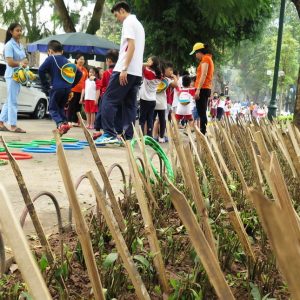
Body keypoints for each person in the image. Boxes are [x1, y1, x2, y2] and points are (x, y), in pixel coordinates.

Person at [96, 1, 145, 144]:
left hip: (125, 70)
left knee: (108, 100)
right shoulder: (139, 25)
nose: (117, 19)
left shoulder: (128, 22)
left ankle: (110, 134)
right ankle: (127, 137)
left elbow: (131, 46)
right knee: (129, 105)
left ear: (122, 10)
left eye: (117, 15)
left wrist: (124, 68)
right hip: (136, 73)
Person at [38, 40, 82, 135]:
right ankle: (64, 124)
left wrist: (46, 86)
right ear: (62, 51)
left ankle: (60, 124)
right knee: (60, 108)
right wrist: (71, 85)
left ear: (50, 51)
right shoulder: (67, 61)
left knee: (52, 108)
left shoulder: (51, 58)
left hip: (56, 88)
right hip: (66, 89)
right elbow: (79, 73)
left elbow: (41, 70)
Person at [0, 23, 28, 133]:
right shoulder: (9, 45)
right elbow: (10, 62)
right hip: (11, 76)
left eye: (21, 30)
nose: (19, 33)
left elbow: (25, 59)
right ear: (11, 32)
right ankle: (13, 126)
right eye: (17, 30)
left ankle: (1, 122)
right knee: (13, 101)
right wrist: (21, 63)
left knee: (9, 100)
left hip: (19, 76)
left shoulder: (20, 45)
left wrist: (24, 62)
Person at [94, 49, 119, 139]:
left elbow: (102, 84)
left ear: (109, 60)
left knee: (101, 113)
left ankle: (99, 131)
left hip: (106, 95)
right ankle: (116, 131)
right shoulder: (120, 72)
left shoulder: (106, 72)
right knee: (114, 114)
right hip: (118, 96)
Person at [190, 42, 214, 135]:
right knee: (202, 111)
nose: (195, 56)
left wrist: (198, 90)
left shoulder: (205, 59)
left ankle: (203, 132)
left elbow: (203, 74)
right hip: (205, 88)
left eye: (196, 53)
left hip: (203, 88)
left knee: (202, 112)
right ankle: (202, 131)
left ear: (200, 52)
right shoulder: (208, 59)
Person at [153, 62, 178, 143]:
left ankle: (155, 136)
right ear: (165, 70)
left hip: (157, 102)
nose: (171, 72)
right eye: (170, 70)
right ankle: (158, 136)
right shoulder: (166, 79)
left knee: (157, 120)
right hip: (162, 103)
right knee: (160, 120)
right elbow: (176, 85)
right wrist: (174, 77)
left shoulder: (159, 77)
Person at [139, 56, 162, 137]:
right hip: (152, 100)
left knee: (142, 120)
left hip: (145, 99)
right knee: (149, 119)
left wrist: (146, 64)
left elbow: (140, 65)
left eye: (148, 60)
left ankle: (141, 136)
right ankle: (149, 137)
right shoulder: (158, 74)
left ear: (151, 63)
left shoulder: (149, 73)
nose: (147, 61)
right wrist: (149, 64)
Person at [67, 54, 88, 126]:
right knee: (71, 105)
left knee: (78, 106)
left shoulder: (85, 70)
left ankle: (75, 121)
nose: (82, 60)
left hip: (81, 90)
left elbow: (85, 80)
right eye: (80, 59)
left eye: (83, 59)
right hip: (73, 89)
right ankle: (69, 120)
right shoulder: (73, 67)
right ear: (76, 60)